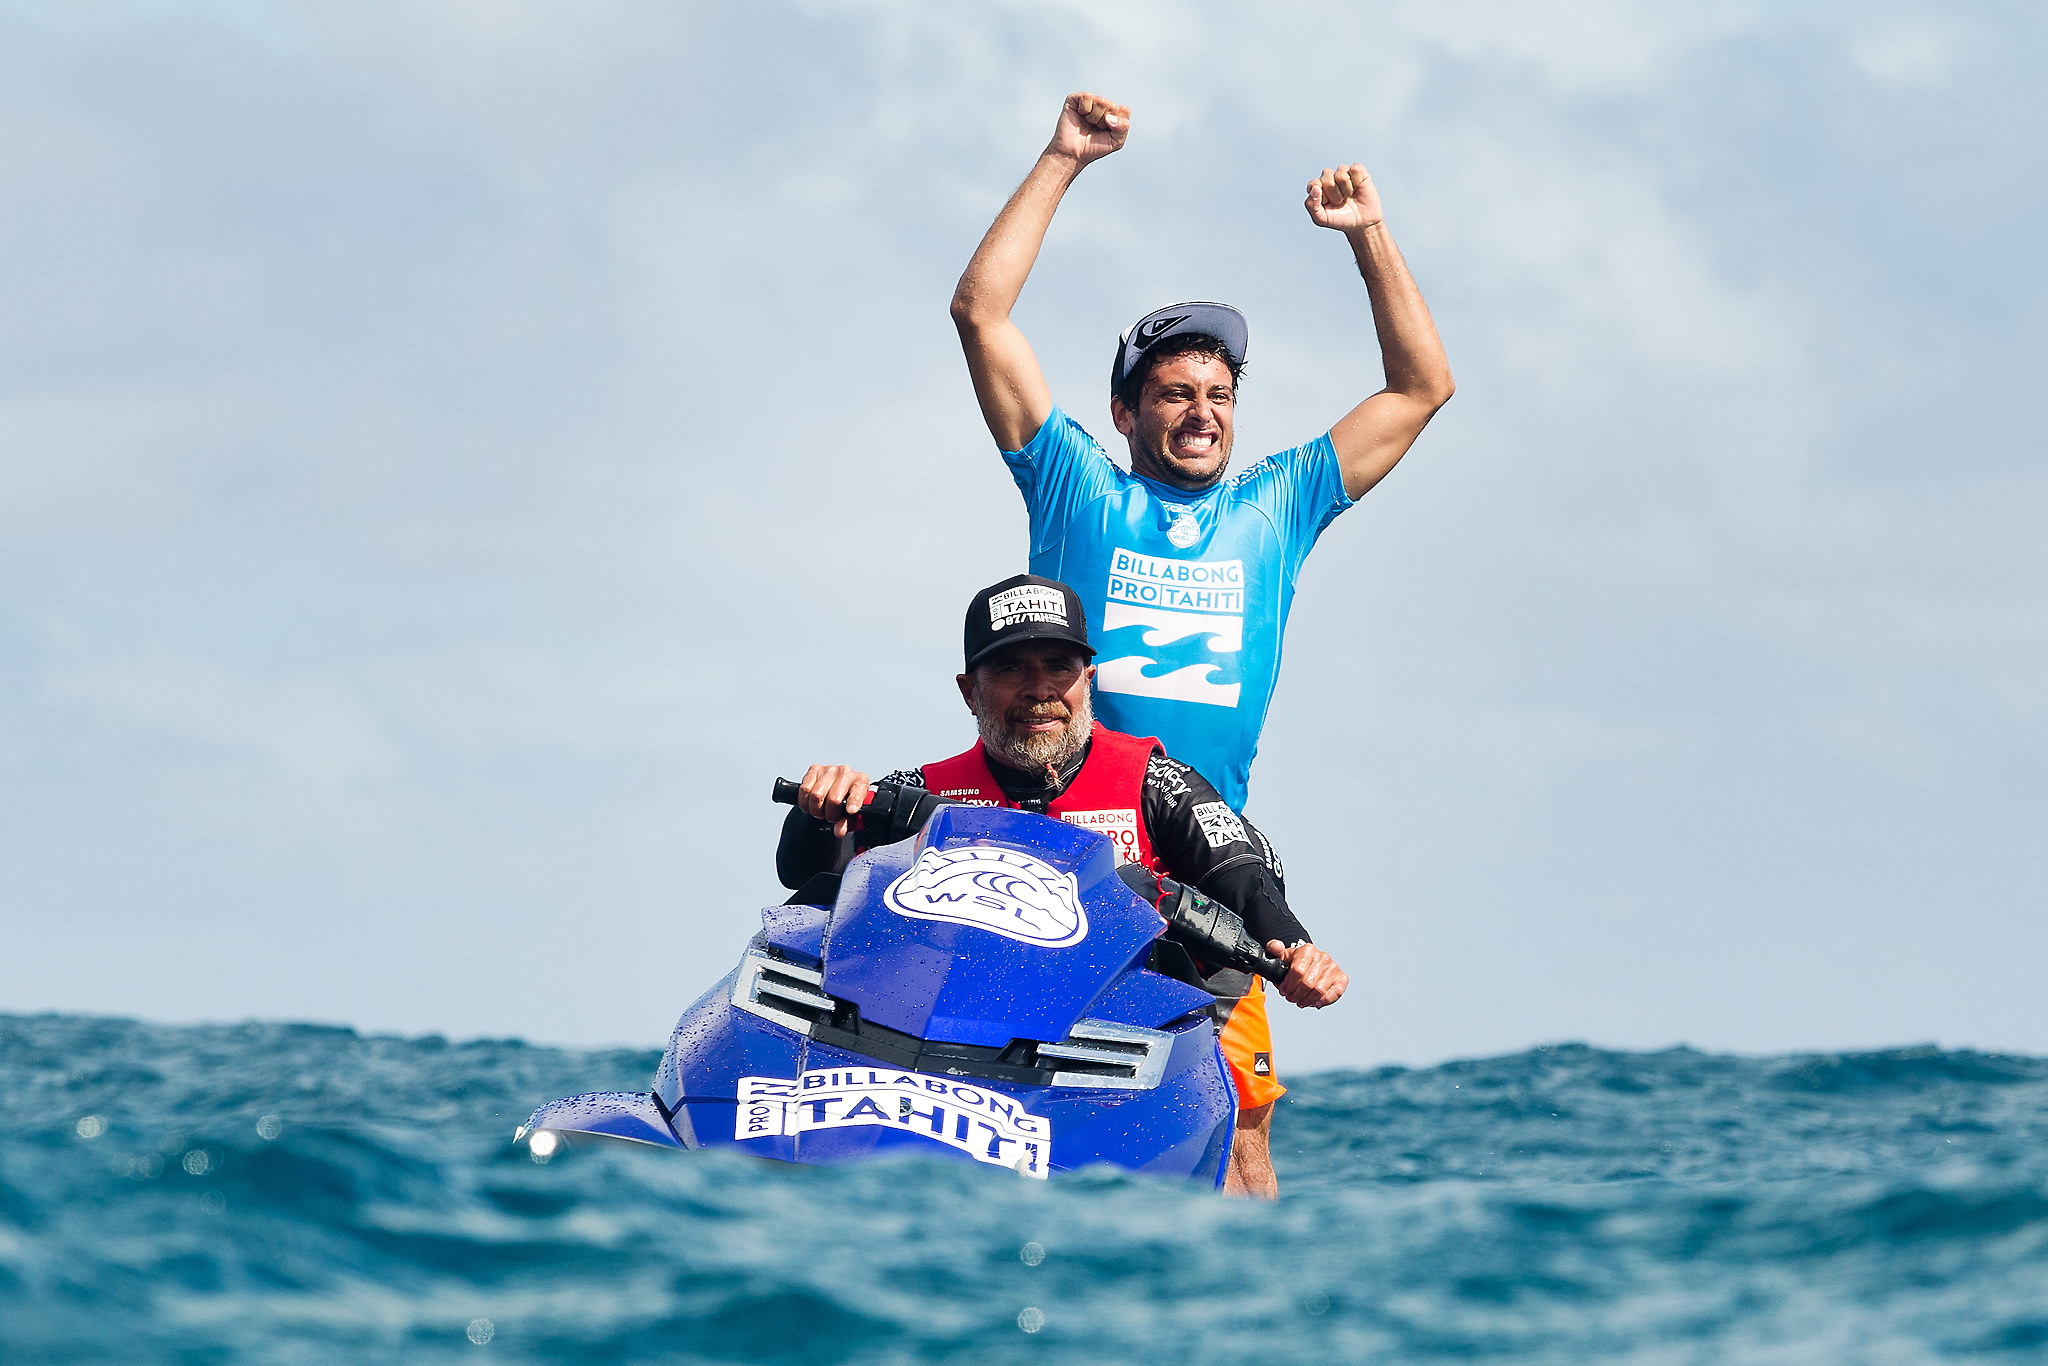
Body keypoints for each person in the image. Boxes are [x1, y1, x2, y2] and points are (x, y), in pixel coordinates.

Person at [949, 92, 1455, 811]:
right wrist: (1063, 158)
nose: (1202, 414)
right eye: (1175, 394)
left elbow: (1420, 389)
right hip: (1064, 840)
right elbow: (981, 313)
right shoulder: (1076, 485)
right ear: (1123, 413)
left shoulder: (1277, 504)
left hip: (1206, 863)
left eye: (1220, 396)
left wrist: (1368, 233)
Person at [778, 574, 1347, 1199]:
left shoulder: (1153, 777)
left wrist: (1293, 947)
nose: (1040, 690)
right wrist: (818, 810)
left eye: (1059, 666)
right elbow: (810, 877)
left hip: (1165, 997)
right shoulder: (923, 791)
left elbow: (1239, 867)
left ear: (1089, 681)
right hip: (992, 1011)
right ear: (970, 691)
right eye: (1011, 668)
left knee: (1236, 1138)